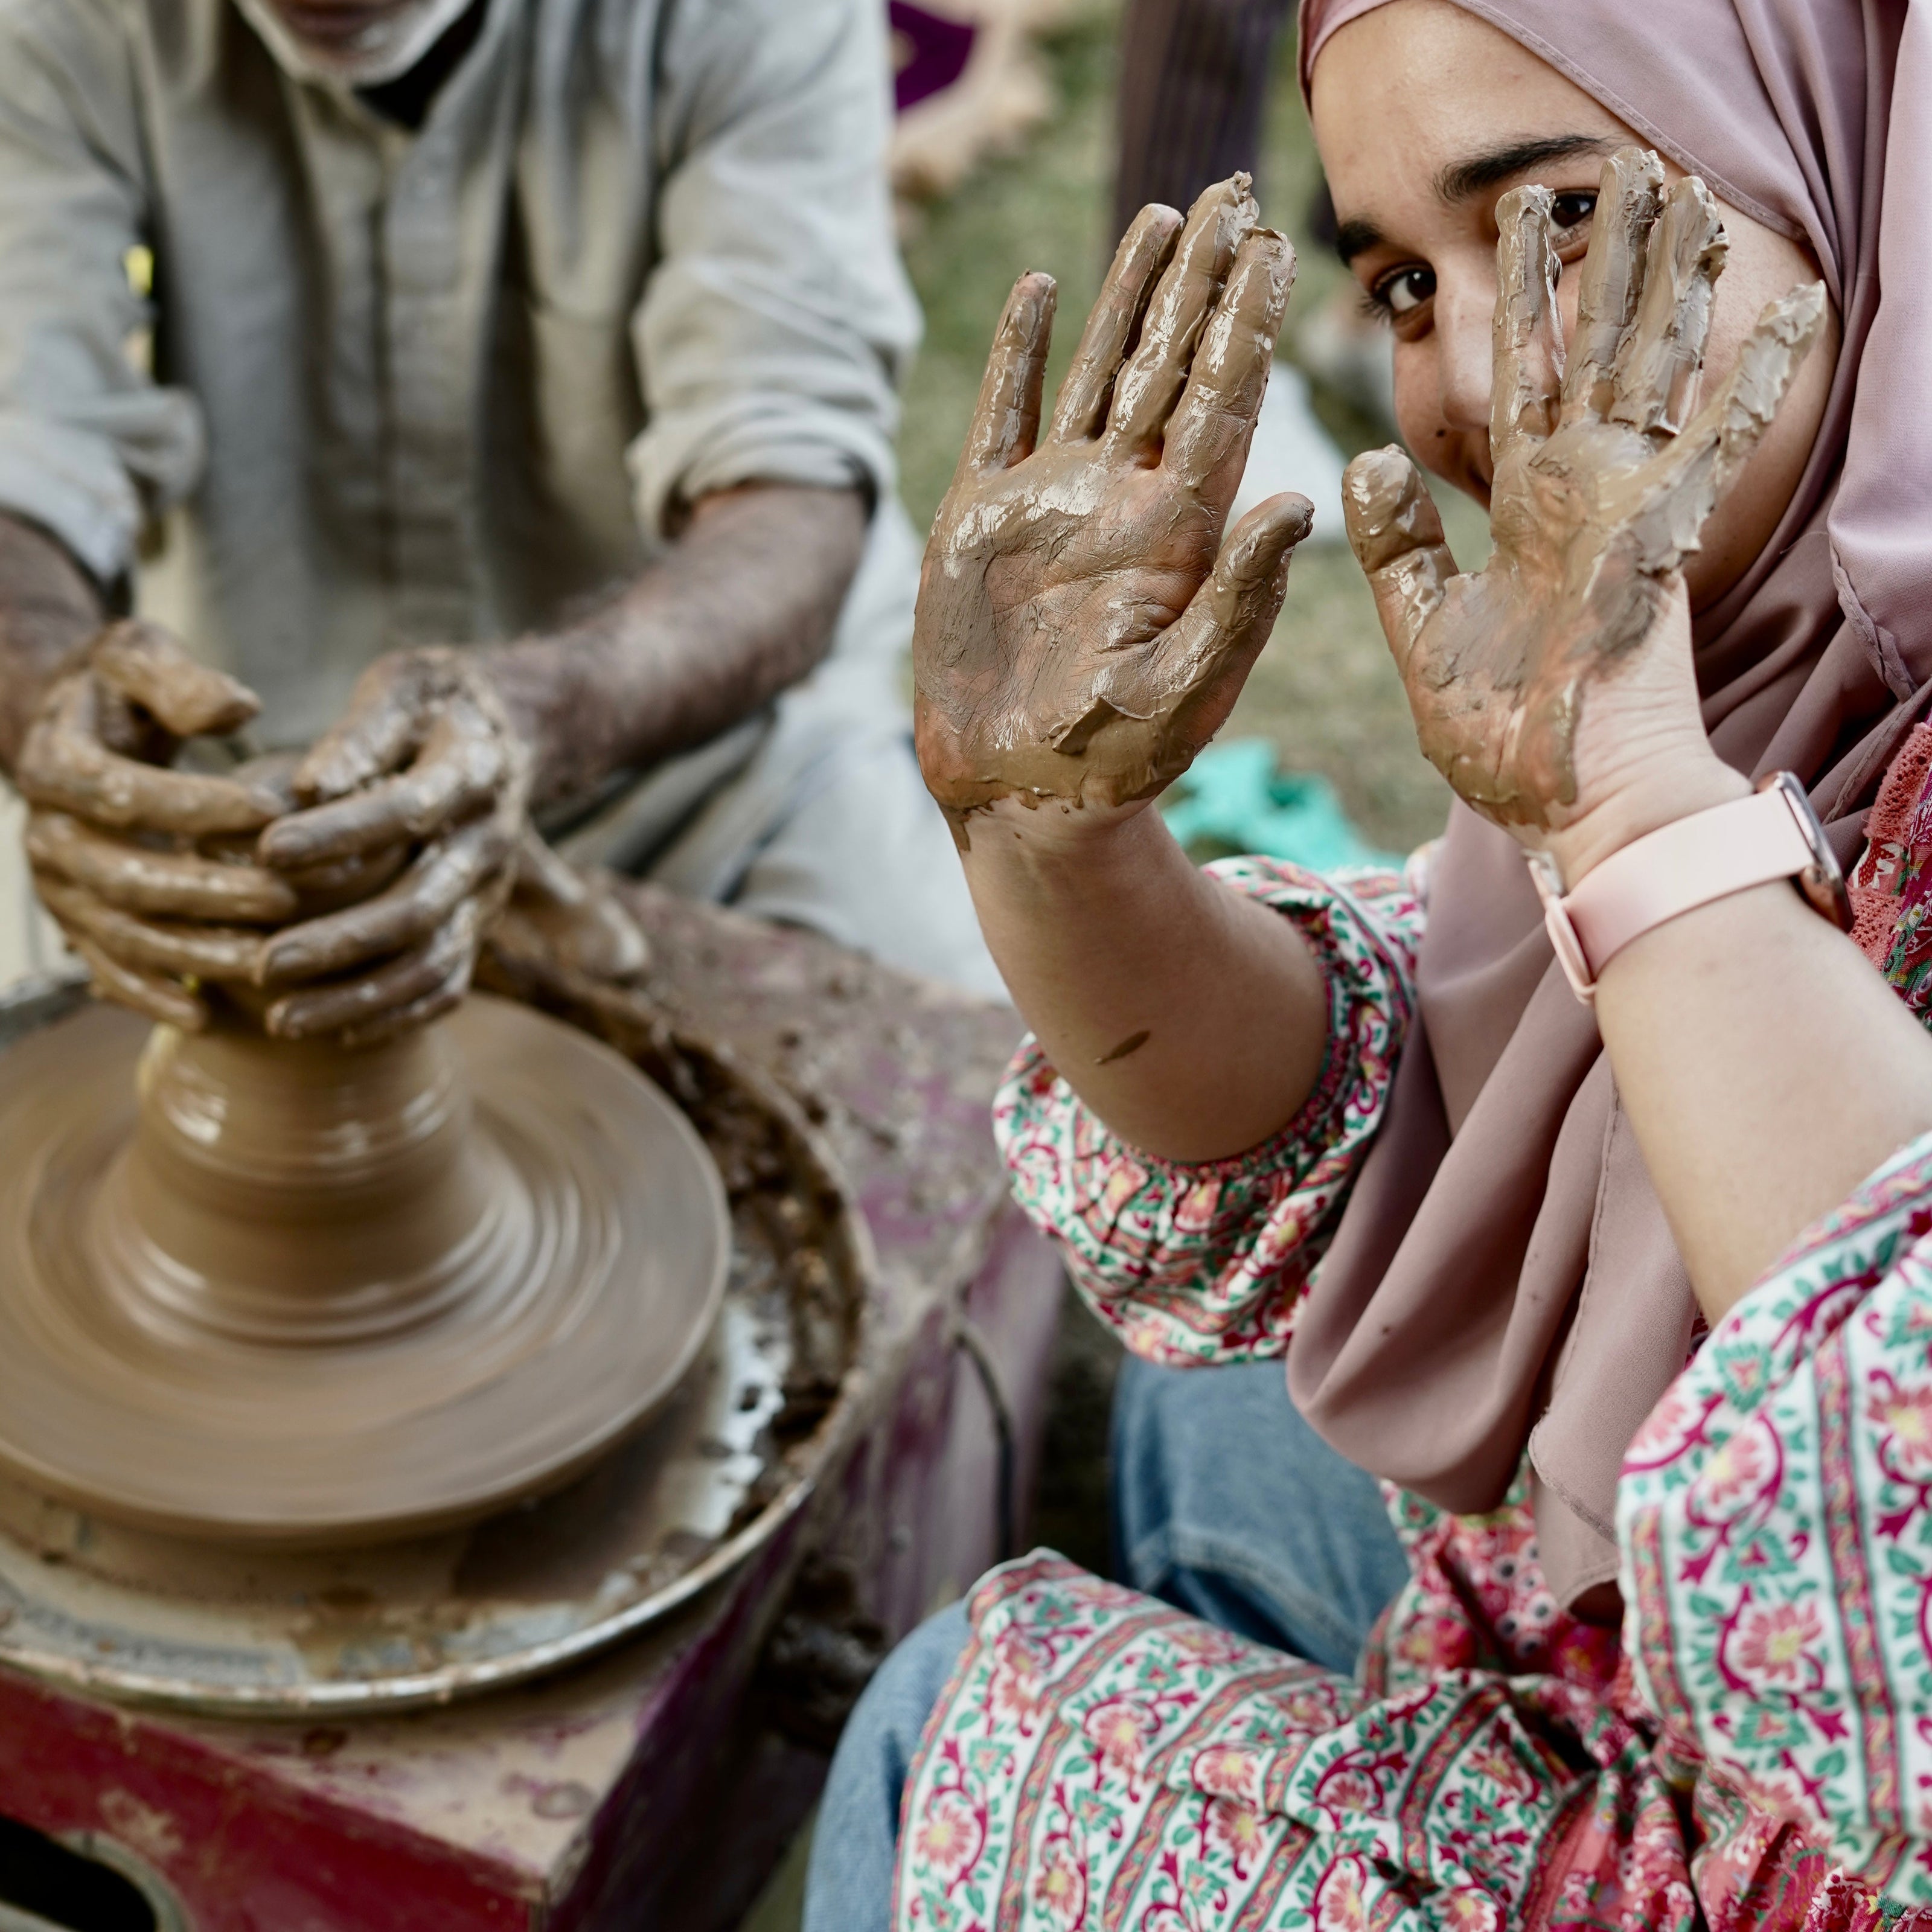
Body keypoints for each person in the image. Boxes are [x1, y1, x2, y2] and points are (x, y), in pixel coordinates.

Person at [804, 0, 1932, 1927]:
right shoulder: (1753, 640)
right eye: (1406, 281)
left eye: (1565, 227)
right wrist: (1054, 847)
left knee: (939, 1715)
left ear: (1849, 189)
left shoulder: (1678, 718)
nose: (1473, 375)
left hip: (1818, 1840)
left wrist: (1640, 797)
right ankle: (1287, 1712)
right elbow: (1403, 1117)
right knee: (1223, 1392)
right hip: (1599, 1654)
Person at [0, 0, 1005, 1026]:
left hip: (695, 763)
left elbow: (792, 498)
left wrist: (536, 715)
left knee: (975, 1100)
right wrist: (50, 706)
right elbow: (19, 453)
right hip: (227, 779)